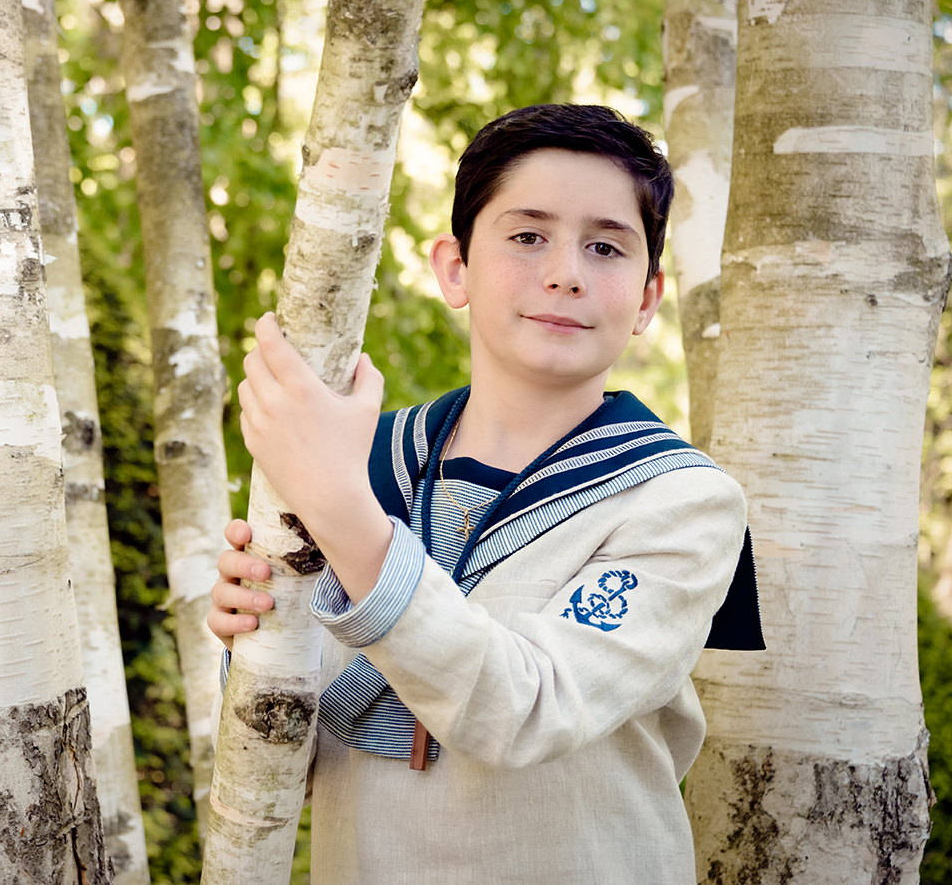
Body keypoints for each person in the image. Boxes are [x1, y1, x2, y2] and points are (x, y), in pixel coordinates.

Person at [207, 103, 762, 885]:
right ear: (454, 268)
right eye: (527, 235)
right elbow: (283, 762)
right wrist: (255, 647)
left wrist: (340, 512)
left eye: (605, 246)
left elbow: (528, 709)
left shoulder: (682, 502)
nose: (565, 270)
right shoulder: (366, 460)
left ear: (645, 299)